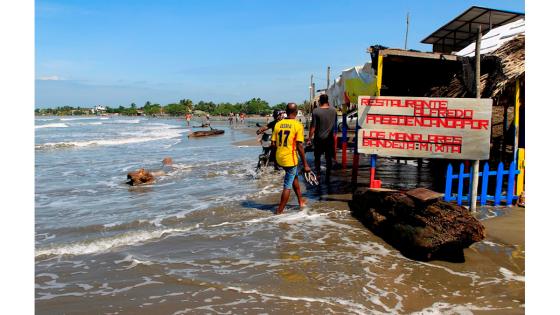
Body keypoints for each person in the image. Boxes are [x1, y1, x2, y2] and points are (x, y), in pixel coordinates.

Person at [271, 103, 311, 215]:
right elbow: (299, 146)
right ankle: (279, 211)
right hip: (290, 159)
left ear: (286, 111)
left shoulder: (278, 124)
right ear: (296, 112)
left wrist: (275, 160)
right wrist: (306, 164)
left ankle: (300, 201)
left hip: (280, 157)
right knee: (287, 185)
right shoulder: (297, 125)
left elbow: (273, 144)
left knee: (294, 177)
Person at [306, 94, 337, 182]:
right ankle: (328, 175)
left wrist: (309, 139)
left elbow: (313, 127)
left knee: (317, 158)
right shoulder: (334, 111)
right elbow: (334, 125)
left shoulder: (316, 111)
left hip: (318, 139)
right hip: (329, 139)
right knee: (328, 158)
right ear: (328, 101)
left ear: (320, 101)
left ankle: (318, 174)